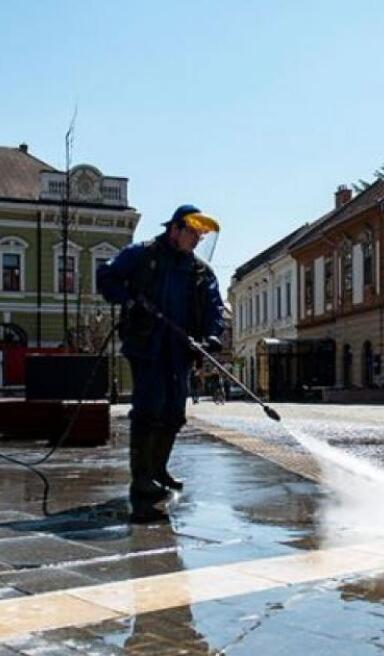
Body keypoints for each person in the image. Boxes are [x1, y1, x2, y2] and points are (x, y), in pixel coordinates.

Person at [98, 204, 225, 524]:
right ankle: (141, 477)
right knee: (149, 407)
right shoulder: (142, 255)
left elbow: (214, 306)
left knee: (174, 411)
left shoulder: (199, 271)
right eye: (193, 233)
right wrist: (129, 300)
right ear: (175, 229)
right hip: (146, 344)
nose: (196, 240)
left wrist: (212, 336)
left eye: (200, 236)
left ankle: (158, 470)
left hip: (179, 349)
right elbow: (106, 276)